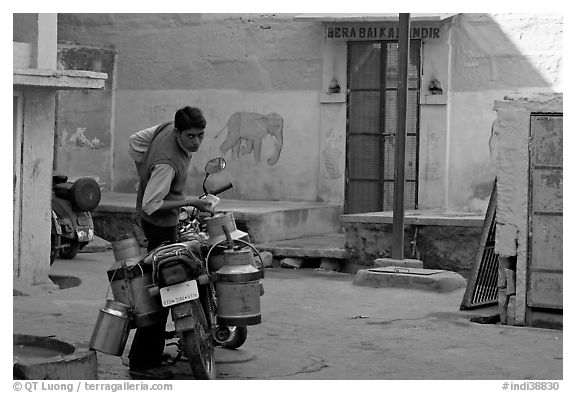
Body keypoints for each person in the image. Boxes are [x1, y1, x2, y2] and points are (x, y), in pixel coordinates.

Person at [127, 106, 213, 379]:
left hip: (164, 224)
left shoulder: (163, 128)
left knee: (166, 289)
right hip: (158, 228)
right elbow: (152, 205)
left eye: (200, 135)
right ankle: (142, 363)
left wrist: (144, 173)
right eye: (190, 136)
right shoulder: (166, 163)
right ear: (177, 132)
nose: (196, 142)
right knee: (166, 291)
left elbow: (135, 141)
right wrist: (191, 201)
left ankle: (150, 354)